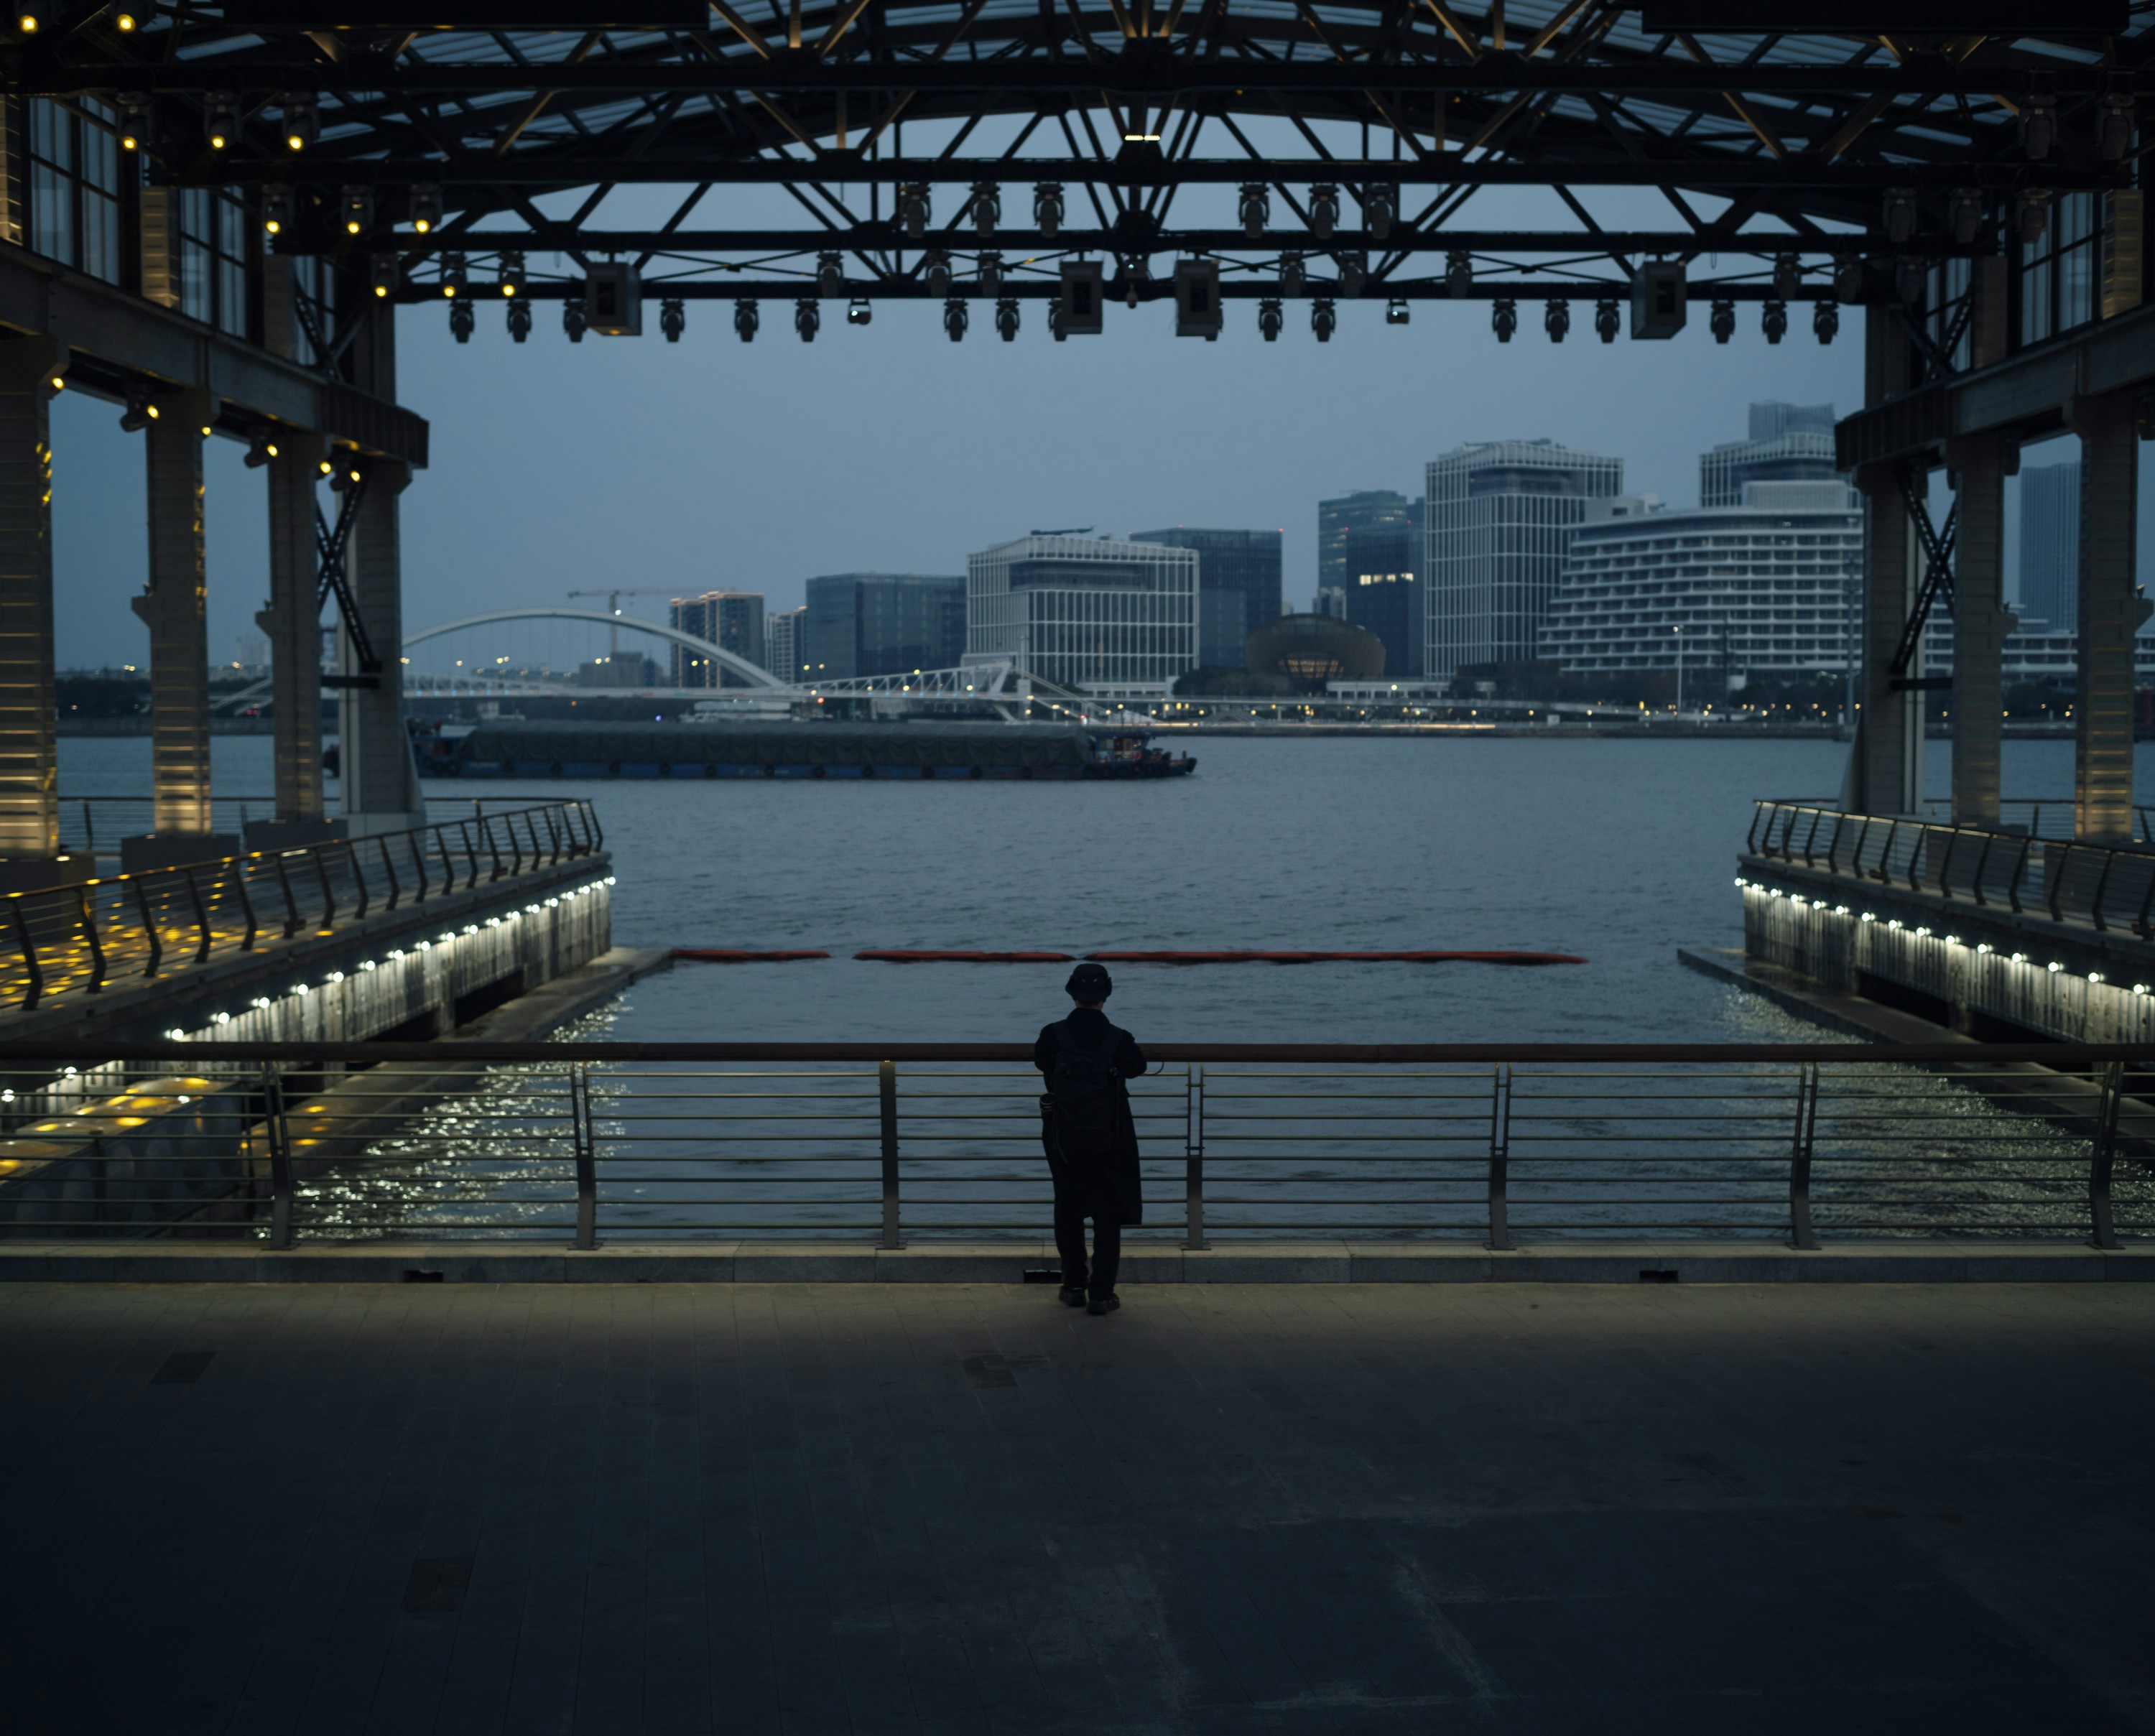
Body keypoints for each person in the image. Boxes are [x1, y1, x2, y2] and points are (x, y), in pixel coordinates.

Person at [1034, 962, 1146, 1315]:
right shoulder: (1119, 1038)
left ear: (1071, 992)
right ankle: (1101, 1293)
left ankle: (1072, 1286)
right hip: (1111, 1137)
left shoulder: (1053, 1034)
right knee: (1107, 1214)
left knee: (1068, 1208)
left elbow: (1042, 1064)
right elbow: (1138, 1067)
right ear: (1107, 994)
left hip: (1063, 1136)